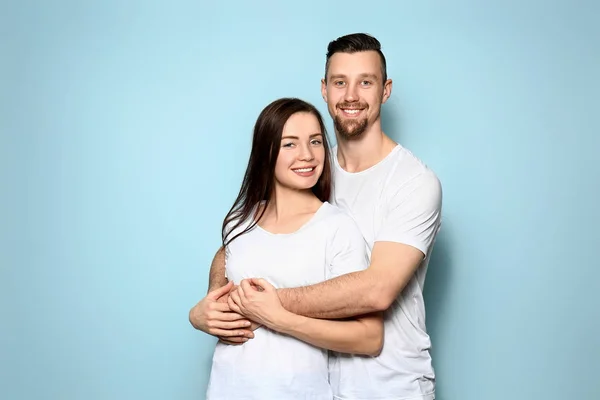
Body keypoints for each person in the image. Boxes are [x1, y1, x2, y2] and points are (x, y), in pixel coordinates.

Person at [191, 33, 442, 400]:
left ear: (385, 90)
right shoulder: (309, 168)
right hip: (319, 382)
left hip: (389, 383)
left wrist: (263, 304)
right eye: (340, 82)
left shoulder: (412, 182)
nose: (351, 95)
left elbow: (376, 290)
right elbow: (246, 238)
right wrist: (215, 303)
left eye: (366, 82)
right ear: (324, 89)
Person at [201, 97, 384, 400]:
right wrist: (199, 314)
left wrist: (281, 319)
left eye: (315, 142)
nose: (307, 155)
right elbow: (219, 290)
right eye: (290, 144)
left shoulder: (337, 228)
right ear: (266, 151)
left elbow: (369, 338)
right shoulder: (238, 222)